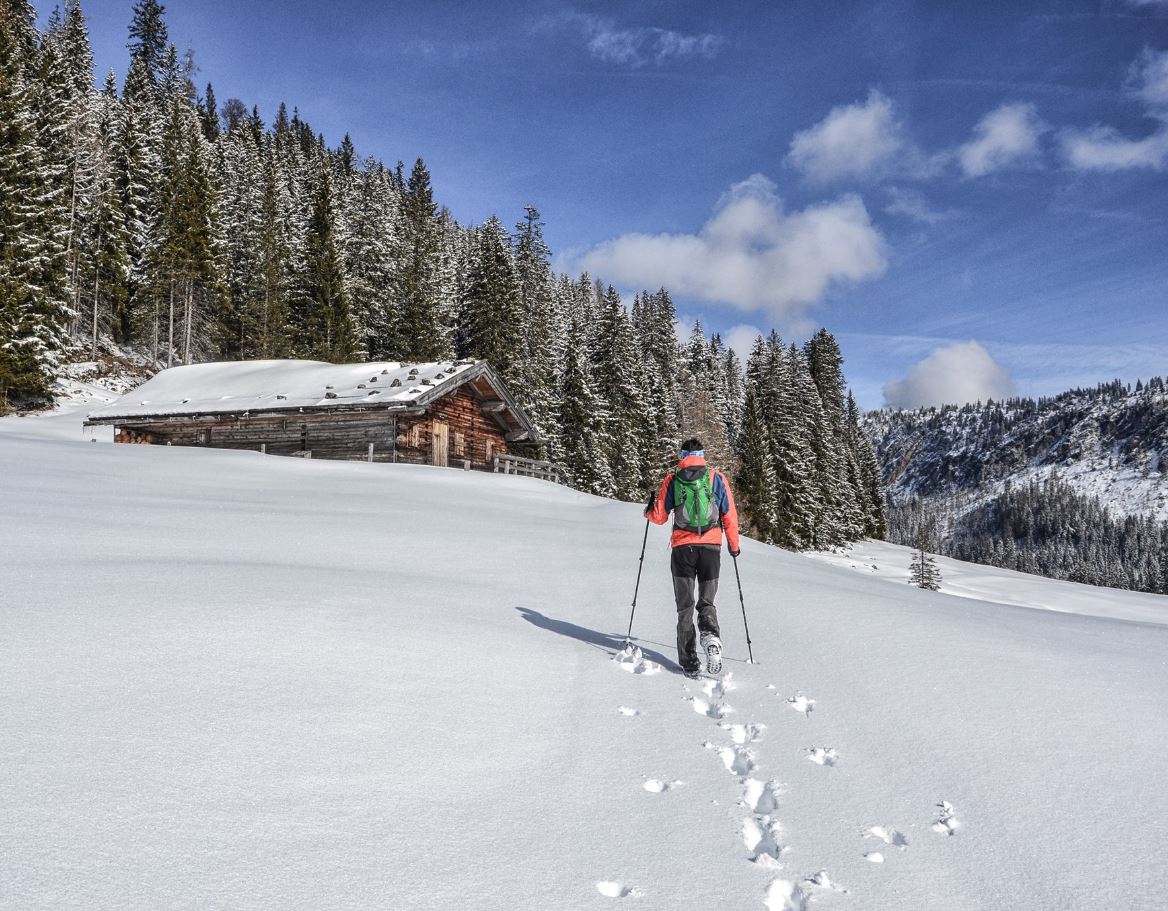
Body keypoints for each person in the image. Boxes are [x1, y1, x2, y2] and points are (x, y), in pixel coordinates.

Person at [644, 437, 741, 678]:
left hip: (682, 550)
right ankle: (711, 636)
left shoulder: (673, 478)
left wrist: (648, 509)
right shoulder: (716, 477)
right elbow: (729, 514)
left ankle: (689, 663)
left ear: (682, 455)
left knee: (684, 608)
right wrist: (734, 546)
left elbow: (659, 517)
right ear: (702, 453)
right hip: (711, 548)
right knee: (706, 602)